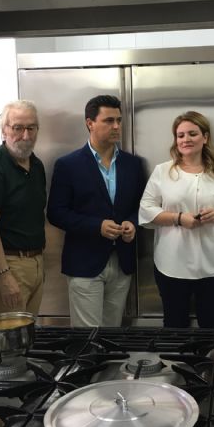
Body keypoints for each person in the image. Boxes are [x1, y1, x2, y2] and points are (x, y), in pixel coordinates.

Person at [47, 95, 145, 327]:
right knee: (87, 337)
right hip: (84, 262)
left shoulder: (132, 164)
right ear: (89, 123)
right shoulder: (68, 165)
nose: (116, 126)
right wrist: (96, 226)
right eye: (109, 121)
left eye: (118, 120)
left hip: (122, 261)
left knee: (111, 334)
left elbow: (142, 206)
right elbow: (56, 213)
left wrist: (132, 223)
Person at [139, 111, 214, 328]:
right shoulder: (162, 171)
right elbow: (146, 208)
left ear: (205, 137)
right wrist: (178, 218)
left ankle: (210, 352)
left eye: (192, 134)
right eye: (181, 135)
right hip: (172, 262)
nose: (186, 139)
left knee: (212, 322)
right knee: (174, 323)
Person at [0, 100, 46, 315]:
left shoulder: (36, 165)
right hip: (7, 263)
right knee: (9, 333)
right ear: (3, 130)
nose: (26, 135)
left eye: (31, 128)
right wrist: (4, 275)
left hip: (35, 261)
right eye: (17, 128)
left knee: (29, 331)